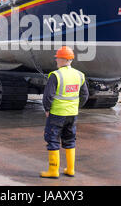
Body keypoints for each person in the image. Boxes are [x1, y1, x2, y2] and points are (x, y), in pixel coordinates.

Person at [40, 46, 89, 179]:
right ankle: (70, 169)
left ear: (62, 59)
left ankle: (53, 170)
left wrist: (47, 109)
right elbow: (85, 95)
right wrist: (75, 106)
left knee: (53, 139)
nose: (56, 61)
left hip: (57, 114)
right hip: (72, 114)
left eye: (57, 58)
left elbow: (48, 96)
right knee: (69, 139)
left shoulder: (55, 75)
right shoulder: (80, 75)